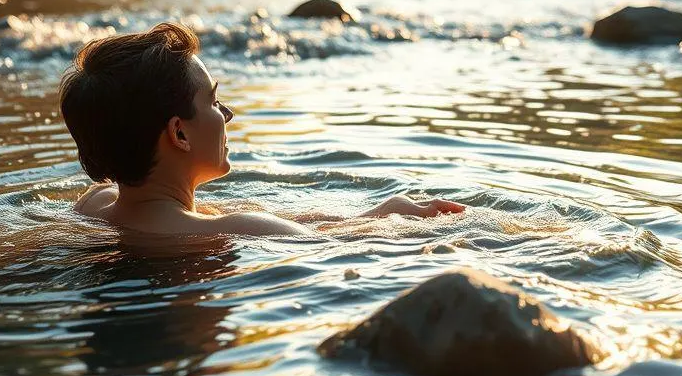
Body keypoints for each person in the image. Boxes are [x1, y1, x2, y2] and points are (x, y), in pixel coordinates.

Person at [59, 22, 464, 235]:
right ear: (179, 134)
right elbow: (334, 244)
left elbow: (280, 220)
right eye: (213, 102)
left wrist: (373, 212)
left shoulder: (95, 206)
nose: (227, 114)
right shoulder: (229, 231)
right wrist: (392, 218)